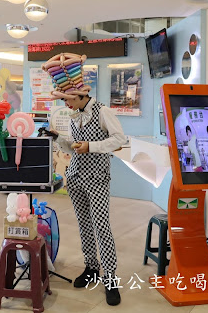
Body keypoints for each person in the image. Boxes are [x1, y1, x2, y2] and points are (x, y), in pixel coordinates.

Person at [43, 52, 125, 306]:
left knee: (102, 226)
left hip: (98, 176)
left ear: (81, 95)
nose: (67, 105)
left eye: (69, 100)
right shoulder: (75, 114)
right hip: (76, 176)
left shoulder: (102, 111)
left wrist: (91, 146)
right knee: (84, 225)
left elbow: (120, 139)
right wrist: (58, 138)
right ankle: (91, 267)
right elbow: (73, 148)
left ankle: (110, 278)